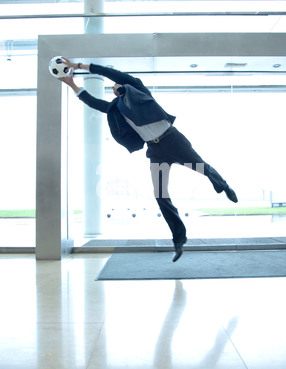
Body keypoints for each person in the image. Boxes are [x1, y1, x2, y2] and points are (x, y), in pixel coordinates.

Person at [59, 58, 238, 262]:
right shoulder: (115, 108)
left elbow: (116, 74)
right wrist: (72, 84)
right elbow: (94, 103)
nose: (115, 86)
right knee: (160, 194)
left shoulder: (138, 89)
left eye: (117, 84)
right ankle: (179, 240)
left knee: (202, 168)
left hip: (173, 139)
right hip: (155, 150)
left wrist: (80, 66)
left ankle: (224, 186)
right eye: (113, 87)